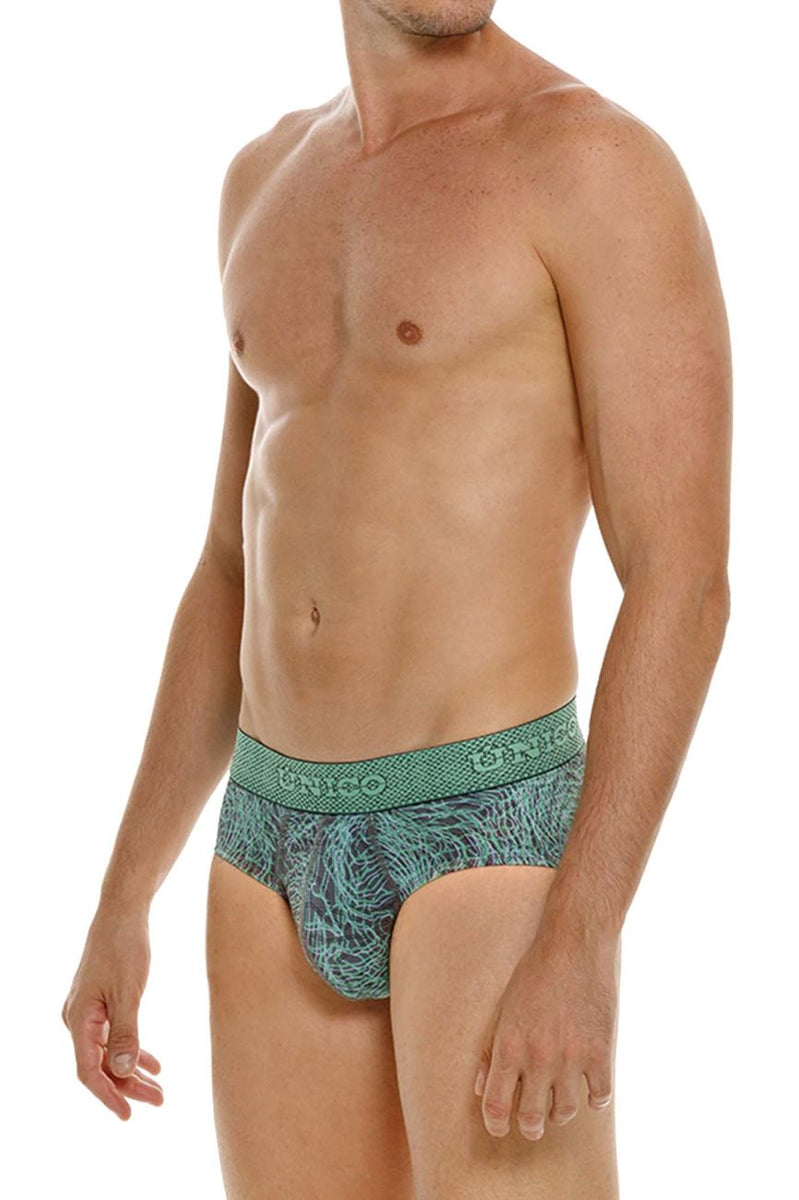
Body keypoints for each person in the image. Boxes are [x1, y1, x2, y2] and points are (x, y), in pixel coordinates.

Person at [61, 2, 732, 1197]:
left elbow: (681, 578)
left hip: (485, 830)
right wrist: (123, 894)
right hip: (266, 836)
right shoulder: (263, 178)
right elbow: (228, 562)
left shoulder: (588, 162)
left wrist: (583, 934)